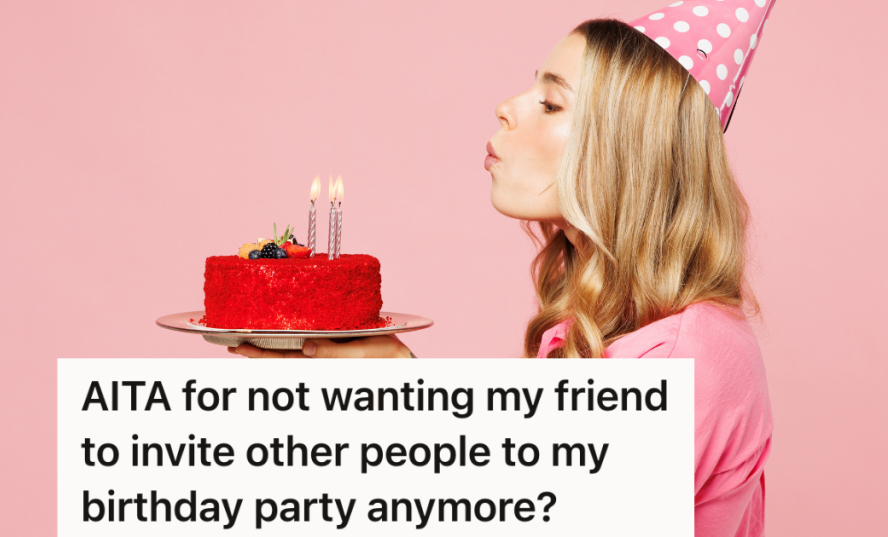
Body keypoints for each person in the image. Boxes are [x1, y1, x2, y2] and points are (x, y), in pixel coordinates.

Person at [231, 3, 776, 535]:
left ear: (630, 152)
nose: (506, 107)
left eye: (552, 104)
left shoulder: (683, 359)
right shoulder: (614, 332)